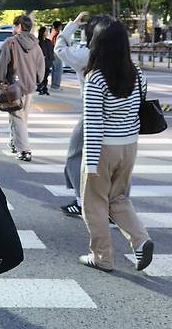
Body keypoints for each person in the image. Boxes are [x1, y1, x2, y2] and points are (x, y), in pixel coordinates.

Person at [79, 16, 153, 273]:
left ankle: (102, 257)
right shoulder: (137, 73)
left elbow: (93, 124)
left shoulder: (96, 78)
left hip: (103, 149)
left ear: (97, 43)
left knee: (94, 203)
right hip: (129, 146)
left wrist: (90, 163)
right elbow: (137, 111)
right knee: (117, 198)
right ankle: (141, 241)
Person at [54, 12, 98, 216]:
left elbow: (60, 48)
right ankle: (117, 206)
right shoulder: (120, 56)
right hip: (121, 119)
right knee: (117, 163)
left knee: (75, 154)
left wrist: (73, 25)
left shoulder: (87, 54)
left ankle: (81, 201)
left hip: (92, 113)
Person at [0, 15, 44, 162]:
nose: (14, 29)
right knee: (21, 117)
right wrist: (38, 80)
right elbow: (41, 67)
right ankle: (15, 142)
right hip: (30, 86)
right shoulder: (36, 45)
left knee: (17, 117)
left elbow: (1, 64)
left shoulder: (11, 43)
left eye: (15, 26)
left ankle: (24, 150)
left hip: (13, 86)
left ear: (19, 26)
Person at [36, 26, 54, 95]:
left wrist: (51, 59)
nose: (47, 33)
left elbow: (51, 51)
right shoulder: (38, 42)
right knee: (41, 75)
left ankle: (44, 88)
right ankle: (40, 87)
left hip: (48, 61)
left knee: (46, 76)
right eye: (46, 31)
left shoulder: (48, 41)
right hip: (40, 61)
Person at [49, 21, 63, 90]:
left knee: (54, 69)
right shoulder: (57, 34)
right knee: (58, 69)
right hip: (56, 52)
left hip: (52, 52)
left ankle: (54, 84)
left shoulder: (52, 33)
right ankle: (56, 85)